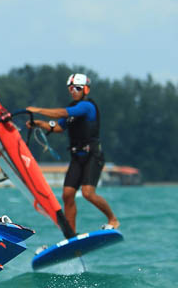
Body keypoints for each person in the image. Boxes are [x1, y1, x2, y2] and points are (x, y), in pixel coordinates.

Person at [27, 74, 120, 233]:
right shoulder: (72, 110)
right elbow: (58, 127)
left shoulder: (86, 106)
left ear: (86, 89)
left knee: (88, 193)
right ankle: (71, 234)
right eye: (71, 88)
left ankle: (113, 219)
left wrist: (39, 110)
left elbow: (61, 113)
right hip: (77, 157)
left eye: (77, 88)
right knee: (67, 194)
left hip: (93, 156)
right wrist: (39, 124)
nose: (74, 91)